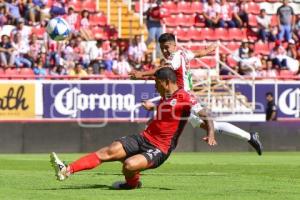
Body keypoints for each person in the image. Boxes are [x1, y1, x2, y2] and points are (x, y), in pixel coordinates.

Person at [50, 67, 216, 189]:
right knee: (109, 151)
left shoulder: (185, 97)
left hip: (160, 148)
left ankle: (132, 183)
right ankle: (67, 169)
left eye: (157, 83)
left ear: (166, 82)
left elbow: (205, 113)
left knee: (129, 165)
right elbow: (166, 108)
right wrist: (153, 106)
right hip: (143, 138)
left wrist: (210, 134)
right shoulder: (166, 96)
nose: (154, 86)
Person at [131, 33, 263, 155]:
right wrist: (207, 50)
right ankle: (250, 137)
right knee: (210, 125)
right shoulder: (183, 54)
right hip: (178, 98)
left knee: (155, 122)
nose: (165, 51)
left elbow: (163, 70)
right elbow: (198, 54)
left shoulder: (175, 57)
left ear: (174, 45)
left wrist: (141, 74)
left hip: (183, 98)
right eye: (162, 48)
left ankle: (146, 154)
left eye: (167, 47)